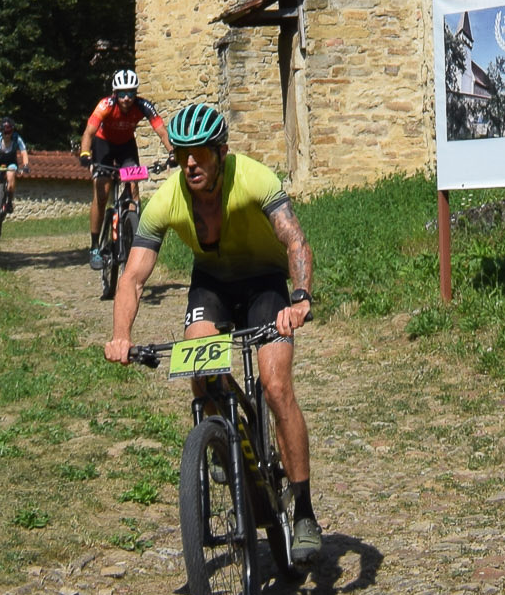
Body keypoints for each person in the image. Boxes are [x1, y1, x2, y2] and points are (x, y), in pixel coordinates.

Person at [104, 98, 323, 567]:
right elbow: (133, 277)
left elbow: (294, 240)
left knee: (276, 386)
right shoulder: (167, 200)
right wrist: (121, 335)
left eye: (199, 153)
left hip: (264, 283)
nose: (189, 163)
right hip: (213, 285)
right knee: (200, 369)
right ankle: (222, 441)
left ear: (221, 152)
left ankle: (303, 509)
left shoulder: (255, 179)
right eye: (182, 153)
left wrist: (300, 297)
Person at [79, 70, 170, 265]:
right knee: (102, 193)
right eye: (122, 93)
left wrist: (173, 153)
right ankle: (94, 246)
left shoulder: (143, 106)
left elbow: (162, 131)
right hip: (103, 145)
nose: (126, 98)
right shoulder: (106, 105)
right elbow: (89, 132)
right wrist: (85, 154)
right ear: (115, 93)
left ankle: (132, 232)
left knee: (133, 187)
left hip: (126, 147)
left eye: (131, 93)